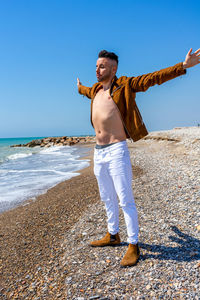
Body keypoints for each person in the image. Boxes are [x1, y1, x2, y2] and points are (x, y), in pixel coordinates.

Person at [77, 48, 200, 267]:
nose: (97, 69)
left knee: (125, 200)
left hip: (116, 150)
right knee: (107, 197)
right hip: (99, 152)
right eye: (96, 66)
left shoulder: (125, 85)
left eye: (102, 66)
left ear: (113, 69)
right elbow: (86, 90)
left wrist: (182, 67)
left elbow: (152, 78)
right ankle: (113, 234)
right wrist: (79, 88)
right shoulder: (96, 89)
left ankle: (134, 244)